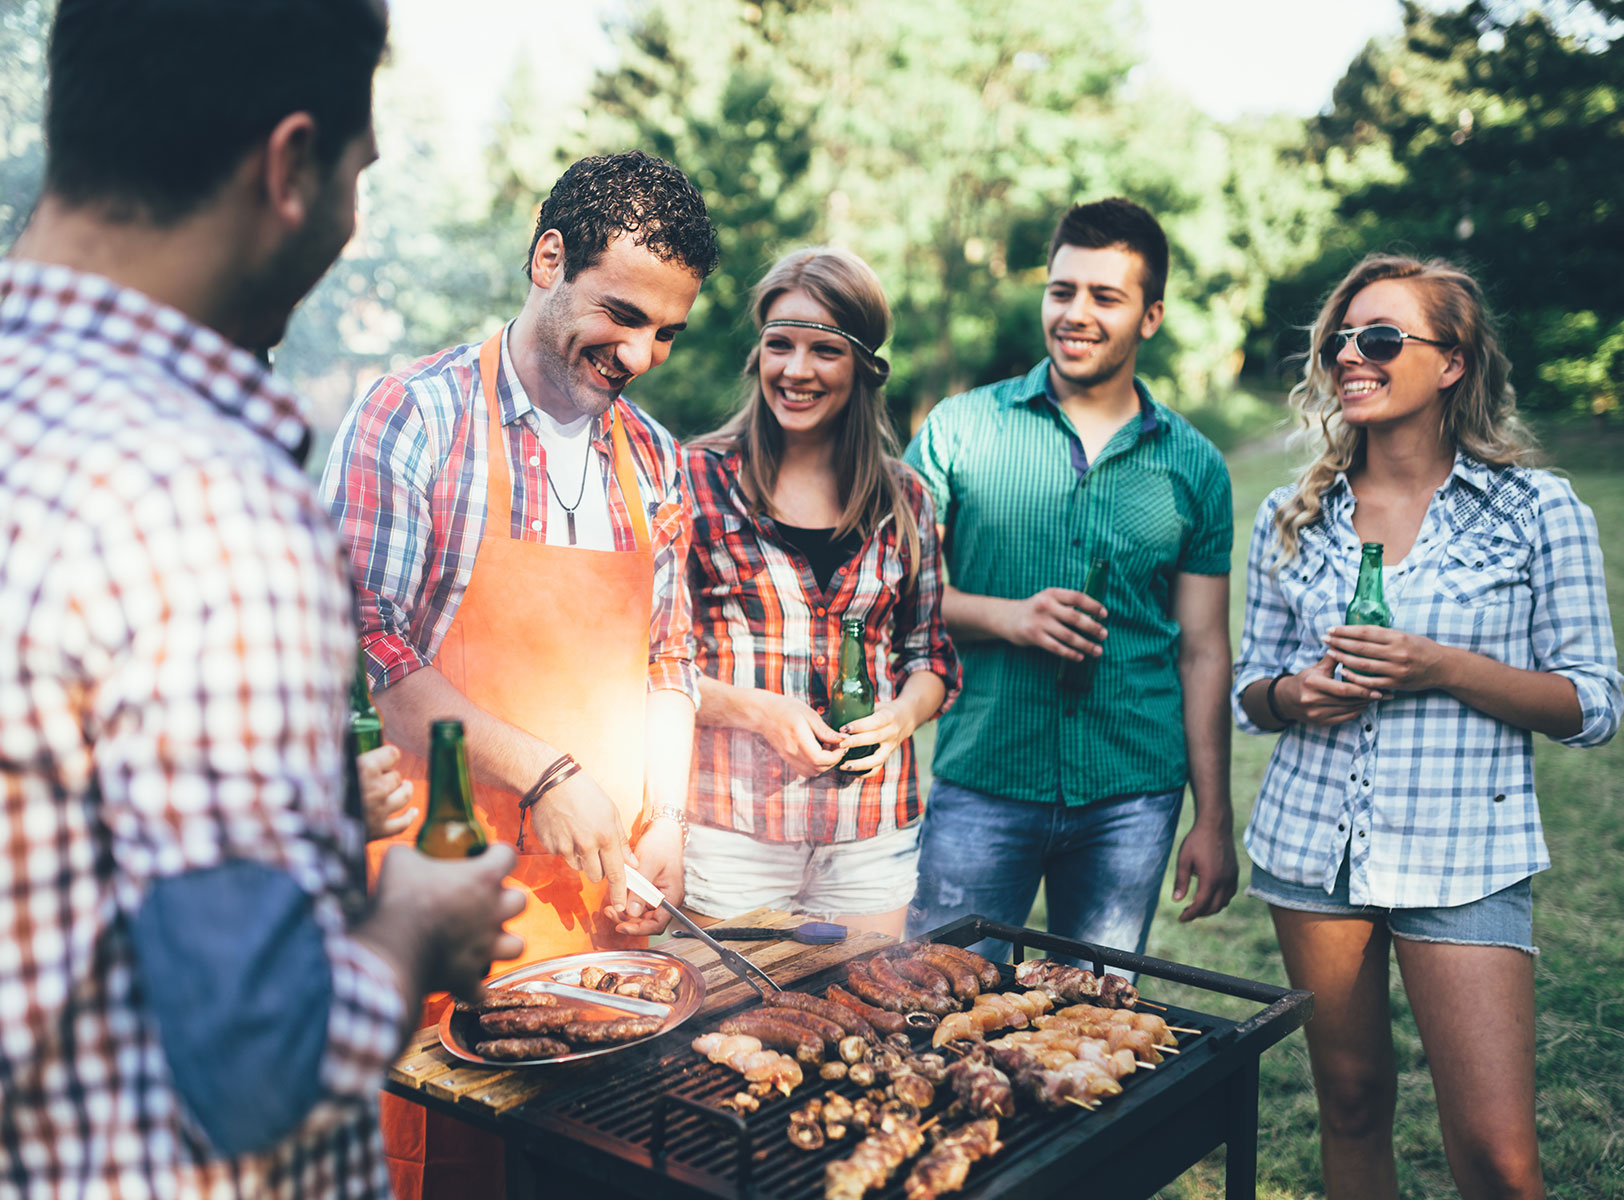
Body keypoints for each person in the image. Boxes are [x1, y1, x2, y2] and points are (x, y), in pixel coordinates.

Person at [0, 2, 529, 1196]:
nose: (351, 219)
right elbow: (255, 1061)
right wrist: (413, 925)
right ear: (289, 164)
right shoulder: (208, 502)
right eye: (358, 174)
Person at [319, 149, 718, 1199]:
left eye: (666, 332)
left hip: (600, 905)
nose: (641, 353)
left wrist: (667, 819)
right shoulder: (413, 418)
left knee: (600, 1169)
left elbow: (670, 654)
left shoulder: (657, 459)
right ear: (549, 258)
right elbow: (373, 656)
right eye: (621, 314)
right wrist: (544, 775)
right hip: (445, 896)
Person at [1234, 254, 1620, 1199]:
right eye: (1339, 341)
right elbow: (1250, 687)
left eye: (1379, 339)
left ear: (1451, 363)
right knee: (1353, 1105)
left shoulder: (1536, 511)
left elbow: (1593, 702)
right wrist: (1296, 695)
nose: (1350, 358)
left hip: (1466, 855)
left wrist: (1440, 666)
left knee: (1497, 1155)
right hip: (1312, 852)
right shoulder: (1292, 516)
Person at [902, 197, 1239, 963]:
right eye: (1063, 291)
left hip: (1132, 793)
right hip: (985, 777)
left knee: (1091, 1031)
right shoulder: (959, 430)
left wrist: (1212, 816)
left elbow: (1204, 652)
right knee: (940, 1007)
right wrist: (1008, 617)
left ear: (1150, 316)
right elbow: (898, 598)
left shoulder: (1196, 466)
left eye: (1105, 297)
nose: (1076, 314)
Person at [681, 247, 958, 936]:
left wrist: (900, 719)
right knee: (731, 1033)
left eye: (824, 350)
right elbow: (648, 663)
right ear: (758, 355)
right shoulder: (694, 479)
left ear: (864, 366)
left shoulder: (907, 499)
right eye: (780, 344)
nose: (796, 370)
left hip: (870, 829)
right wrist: (756, 711)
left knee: (866, 1028)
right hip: (732, 825)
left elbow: (932, 657)